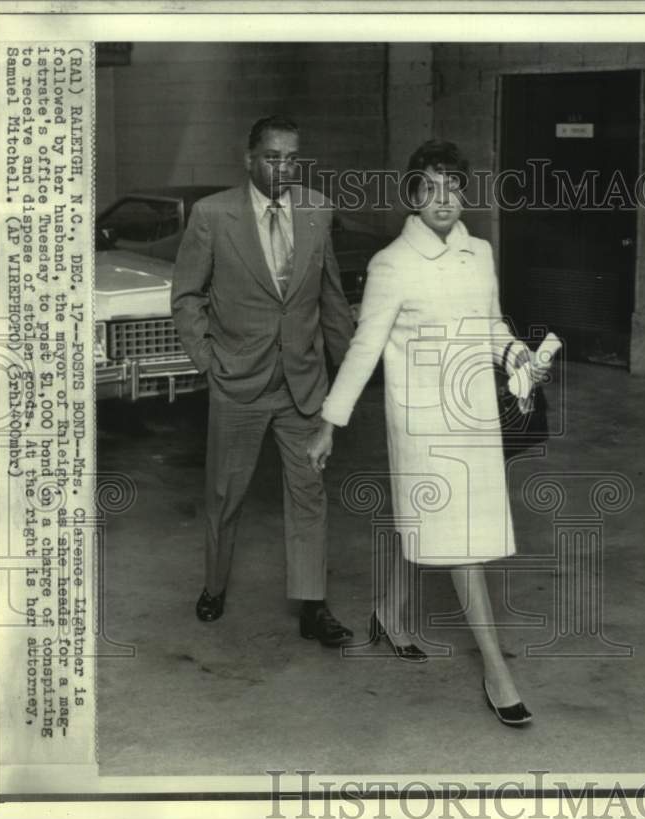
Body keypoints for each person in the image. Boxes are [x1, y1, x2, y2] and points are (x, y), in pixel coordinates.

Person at [307, 139, 543, 725]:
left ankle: (389, 611)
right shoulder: (393, 263)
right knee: (460, 540)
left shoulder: (480, 253)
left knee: (427, 521)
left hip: (475, 416)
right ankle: (497, 672)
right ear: (414, 194)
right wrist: (331, 422)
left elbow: (490, 326)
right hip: (421, 423)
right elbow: (364, 348)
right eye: (430, 188)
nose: (443, 199)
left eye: (453, 187)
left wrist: (517, 355)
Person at [171, 115, 356, 647]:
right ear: (249, 158)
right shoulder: (212, 215)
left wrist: (348, 379)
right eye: (273, 157)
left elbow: (332, 300)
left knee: (309, 495)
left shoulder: (318, 210)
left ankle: (312, 606)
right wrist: (209, 362)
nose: (284, 167)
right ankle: (214, 585)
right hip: (238, 383)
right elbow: (187, 297)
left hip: (303, 383)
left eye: (292, 157)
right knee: (225, 494)